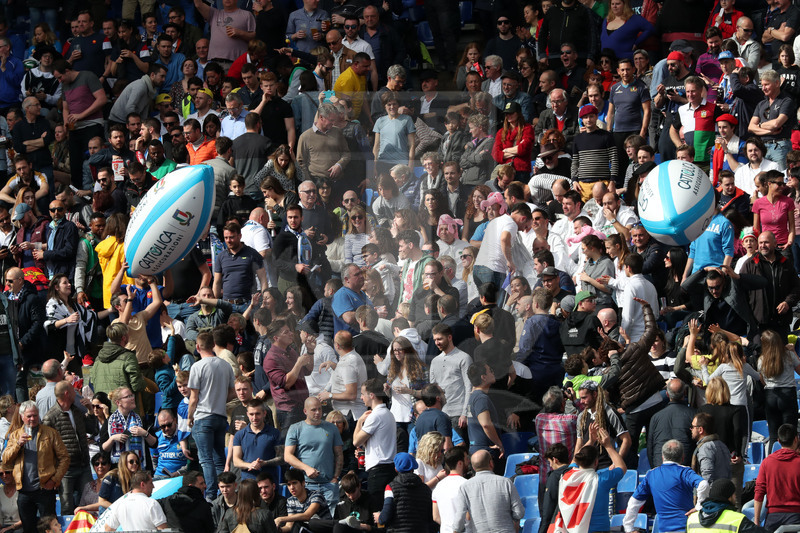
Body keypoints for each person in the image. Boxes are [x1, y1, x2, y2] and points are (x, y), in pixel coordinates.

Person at [1, 402, 69, 533]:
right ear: (22, 416)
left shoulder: (50, 433)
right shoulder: (15, 435)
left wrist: (54, 479)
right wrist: (17, 445)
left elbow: (65, 457)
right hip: (23, 491)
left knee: (49, 528)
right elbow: (5, 459)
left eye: (35, 415)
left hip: (44, 489)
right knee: (28, 529)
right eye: (29, 416)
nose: (32, 419)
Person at [188, 331, 236, 499]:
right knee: (218, 459)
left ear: (198, 346)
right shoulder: (225, 365)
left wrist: (189, 417)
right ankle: (223, 492)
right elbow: (233, 392)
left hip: (203, 418)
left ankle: (210, 496)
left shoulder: (197, 366)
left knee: (206, 460)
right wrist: (220, 400)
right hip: (221, 417)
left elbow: (193, 398)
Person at [554, 424, 627, 533]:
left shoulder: (567, 476)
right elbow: (621, 467)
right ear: (596, 462)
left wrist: (590, 441)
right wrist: (608, 446)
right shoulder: (602, 480)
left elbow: (576, 458)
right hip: (599, 530)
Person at [624, 440, 709, 532]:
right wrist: (699, 507)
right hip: (686, 528)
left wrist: (629, 528)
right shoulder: (685, 472)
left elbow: (634, 502)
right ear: (683, 458)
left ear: (662, 457)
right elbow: (703, 484)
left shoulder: (651, 474)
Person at [41, 381, 91, 516]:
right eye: (73, 390)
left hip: (84, 465)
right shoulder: (50, 417)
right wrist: (55, 474)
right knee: (67, 506)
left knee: (89, 504)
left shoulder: (77, 411)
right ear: (67, 393)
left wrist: (91, 411)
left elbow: (93, 429)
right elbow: (47, 450)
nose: (76, 392)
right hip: (66, 470)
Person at [453, 449, 525, 533]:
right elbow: (519, 512)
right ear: (491, 463)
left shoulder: (465, 487)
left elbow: (459, 518)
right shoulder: (506, 483)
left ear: (473, 467)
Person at [263, 319, 313, 438]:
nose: (291, 333)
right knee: (290, 445)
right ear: (276, 338)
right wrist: (298, 364)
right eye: (286, 332)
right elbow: (286, 383)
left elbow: (308, 370)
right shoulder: (271, 358)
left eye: (290, 331)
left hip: (302, 406)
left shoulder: (291, 351)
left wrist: (310, 351)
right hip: (289, 411)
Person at [352, 378, 396, 509]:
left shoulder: (375, 416)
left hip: (379, 472)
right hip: (388, 469)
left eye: (362, 394)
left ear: (371, 395)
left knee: (377, 511)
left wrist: (360, 421)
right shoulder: (388, 413)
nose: (361, 397)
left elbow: (356, 441)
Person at [753, 423, 800, 528]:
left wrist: (756, 519)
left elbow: (759, 492)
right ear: (796, 439)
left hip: (773, 518)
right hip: (796, 516)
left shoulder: (767, 462)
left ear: (778, 441)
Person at [689, 478, 771, 533]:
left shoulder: (692, 519)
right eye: (734, 494)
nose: (735, 497)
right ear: (729, 497)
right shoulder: (737, 519)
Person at [376, 452, 432, 531]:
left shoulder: (390, 487)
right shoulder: (426, 489)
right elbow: (430, 517)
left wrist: (379, 518)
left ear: (396, 469)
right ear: (413, 468)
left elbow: (385, 517)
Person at [102, 471, 168, 532]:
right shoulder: (152, 504)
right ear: (142, 484)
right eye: (151, 483)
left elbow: (108, 529)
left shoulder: (120, 504)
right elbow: (163, 530)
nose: (153, 486)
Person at [691, 412, 732, 482]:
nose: (691, 429)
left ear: (700, 430)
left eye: (693, 427)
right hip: (723, 489)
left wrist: (704, 492)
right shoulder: (722, 444)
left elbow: (707, 477)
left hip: (711, 491)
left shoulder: (706, 448)